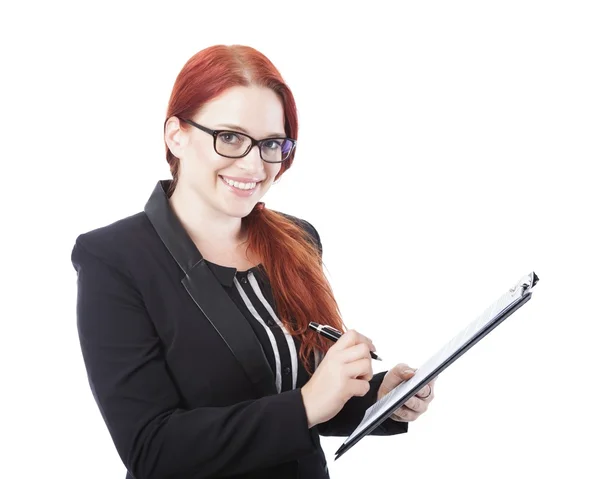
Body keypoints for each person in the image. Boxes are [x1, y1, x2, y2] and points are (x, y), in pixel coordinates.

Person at [71, 44, 436, 479]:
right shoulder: (113, 259)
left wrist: (379, 397)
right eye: (229, 137)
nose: (254, 164)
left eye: (271, 144)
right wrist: (306, 405)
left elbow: (302, 392)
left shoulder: (296, 238)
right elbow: (152, 449)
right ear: (176, 135)